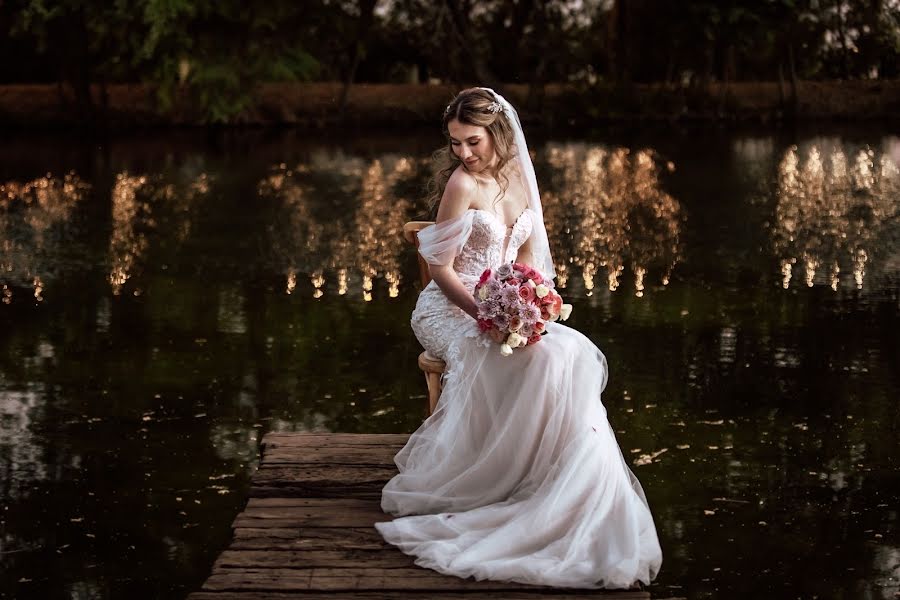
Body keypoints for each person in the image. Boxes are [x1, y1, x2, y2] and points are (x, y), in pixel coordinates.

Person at [374, 88, 662, 589]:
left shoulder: (519, 181)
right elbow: (439, 268)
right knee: (514, 358)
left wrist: (529, 305)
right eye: (456, 143)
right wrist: (485, 312)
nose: (463, 153)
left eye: (472, 141)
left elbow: (528, 260)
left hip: (503, 305)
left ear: (498, 135)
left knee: (565, 354)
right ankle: (496, 475)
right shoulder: (461, 185)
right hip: (452, 307)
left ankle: (561, 486)